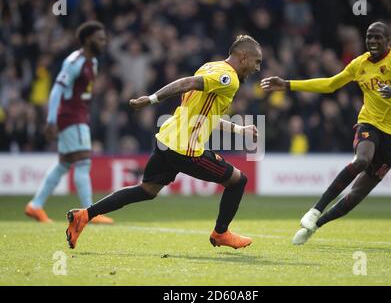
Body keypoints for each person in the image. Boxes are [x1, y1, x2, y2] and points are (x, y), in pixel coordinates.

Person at [65, 35, 262, 249]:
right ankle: (221, 233)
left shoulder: (210, 66)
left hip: (167, 140)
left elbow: (205, 114)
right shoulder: (228, 78)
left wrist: (238, 128)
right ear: (243, 57)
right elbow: (186, 82)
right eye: (256, 61)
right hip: (185, 150)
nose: (257, 68)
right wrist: (152, 99)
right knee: (238, 181)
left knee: (146, 190)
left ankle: (84, 215)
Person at [261, 21, 391, 245]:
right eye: (369, 37)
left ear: (388, 41)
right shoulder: (359, 64)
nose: (372, 41)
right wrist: (287, 84)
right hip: (370, 123)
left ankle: (316, 224)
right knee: (362, 160)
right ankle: (315, 209)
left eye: (377, 38)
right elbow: (330, 84)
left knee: (356, 195)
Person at [25, 21, 113, 224]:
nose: (104, 42)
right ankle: (90, 213)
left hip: (79, 115)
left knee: (63, 165)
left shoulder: (93, 63)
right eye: (100, 39)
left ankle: (35, 205)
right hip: (72, 117)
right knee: (83, 163)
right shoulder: (74, 62)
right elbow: (57, 89)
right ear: (88, 39)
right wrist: (51, 120)